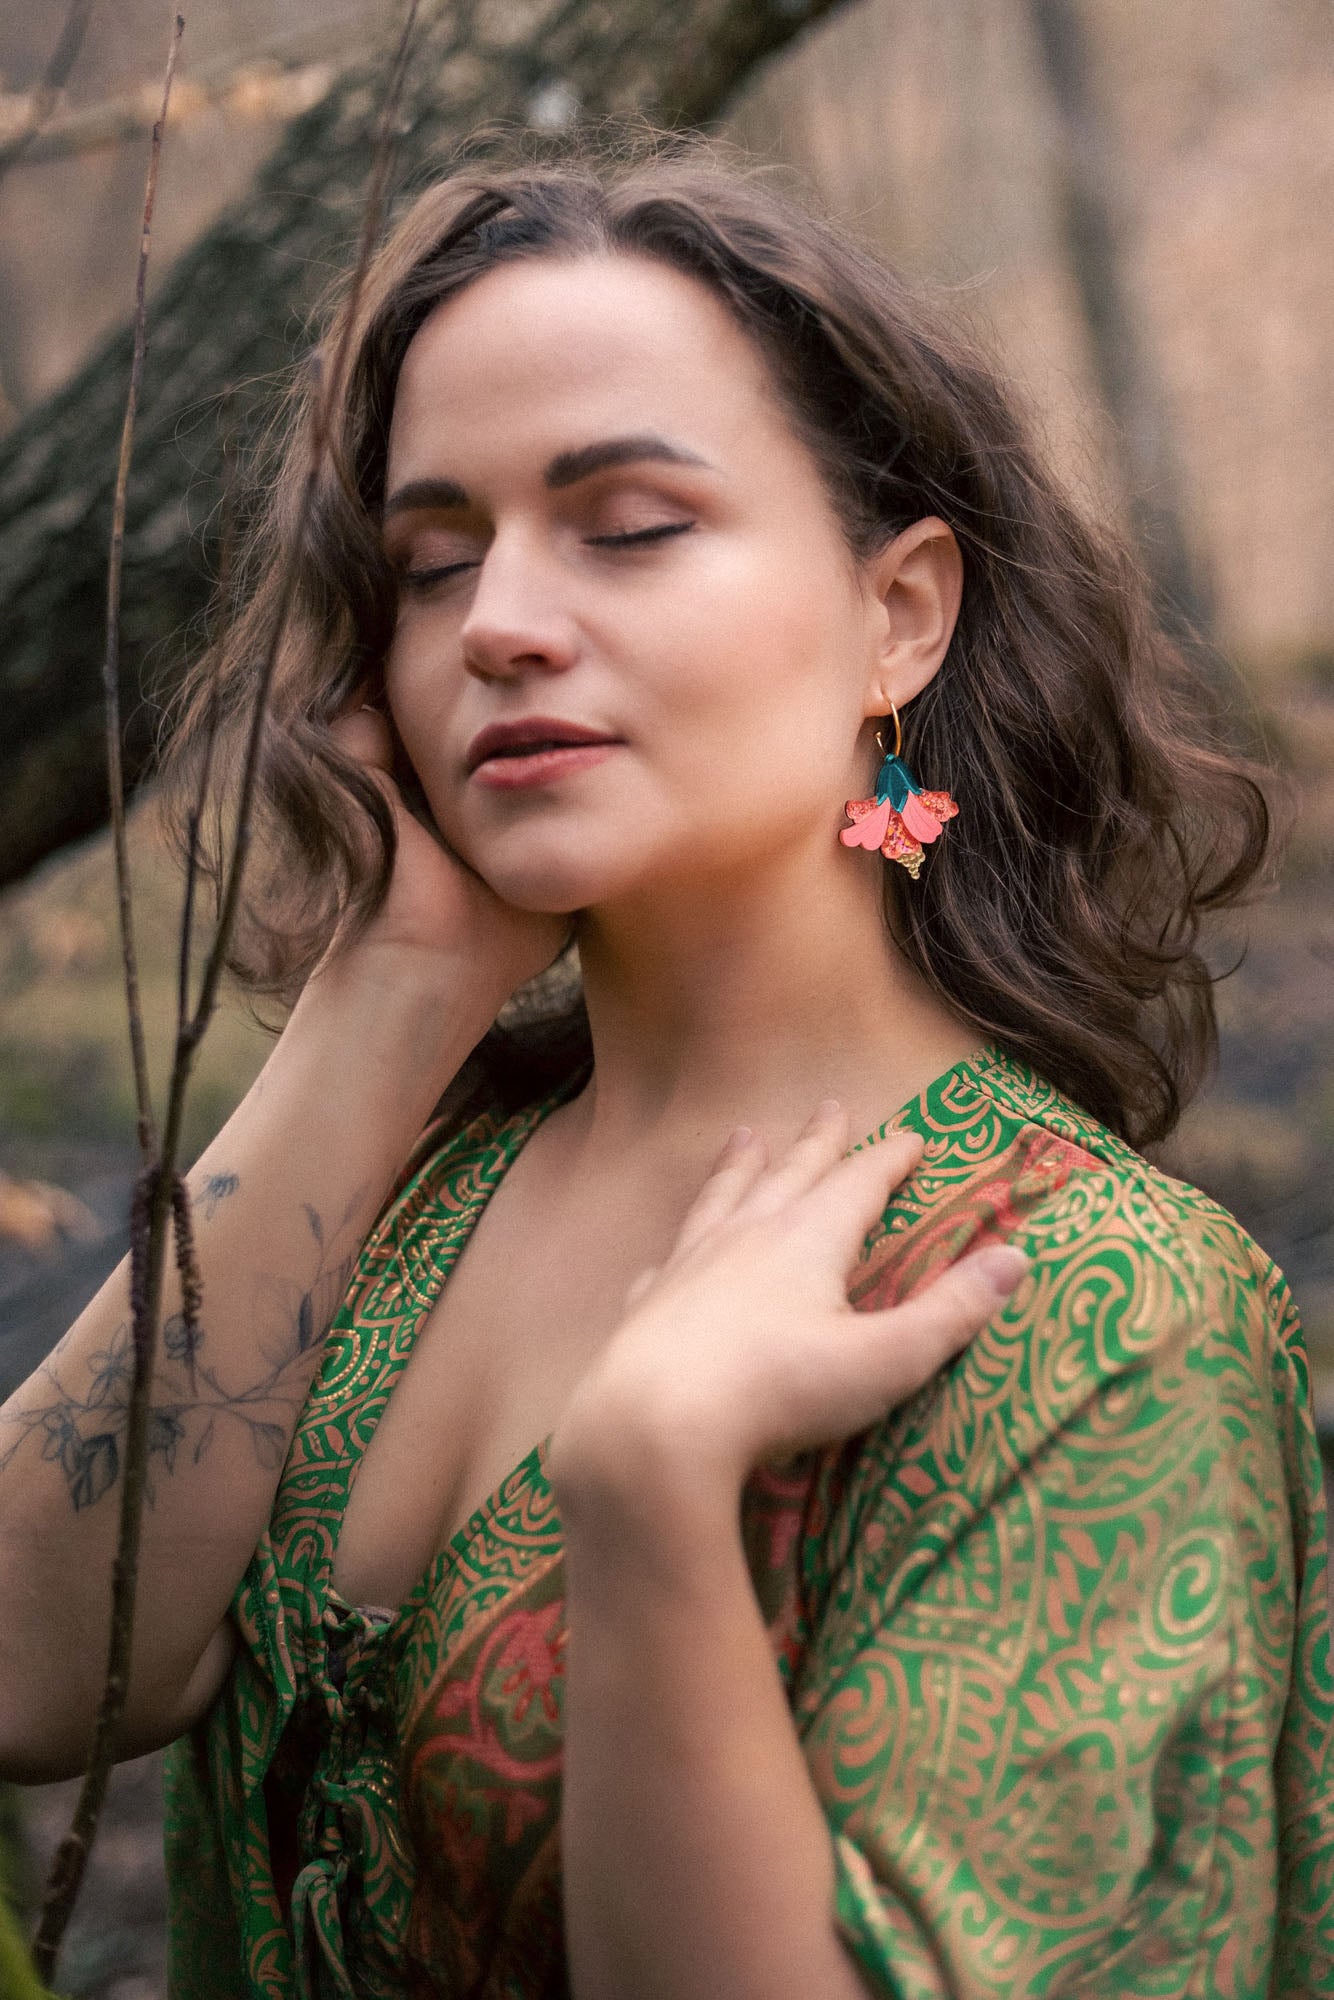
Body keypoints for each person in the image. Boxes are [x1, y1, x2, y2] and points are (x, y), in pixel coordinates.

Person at [2, 140, 1331, 2000]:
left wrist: (651, 1495)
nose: (497, 622)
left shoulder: (1090, 1309)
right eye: (429, 563)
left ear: (898, 615)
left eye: (626, 526)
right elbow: (34, 1677)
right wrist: (390, 993)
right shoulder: (401, 1196)